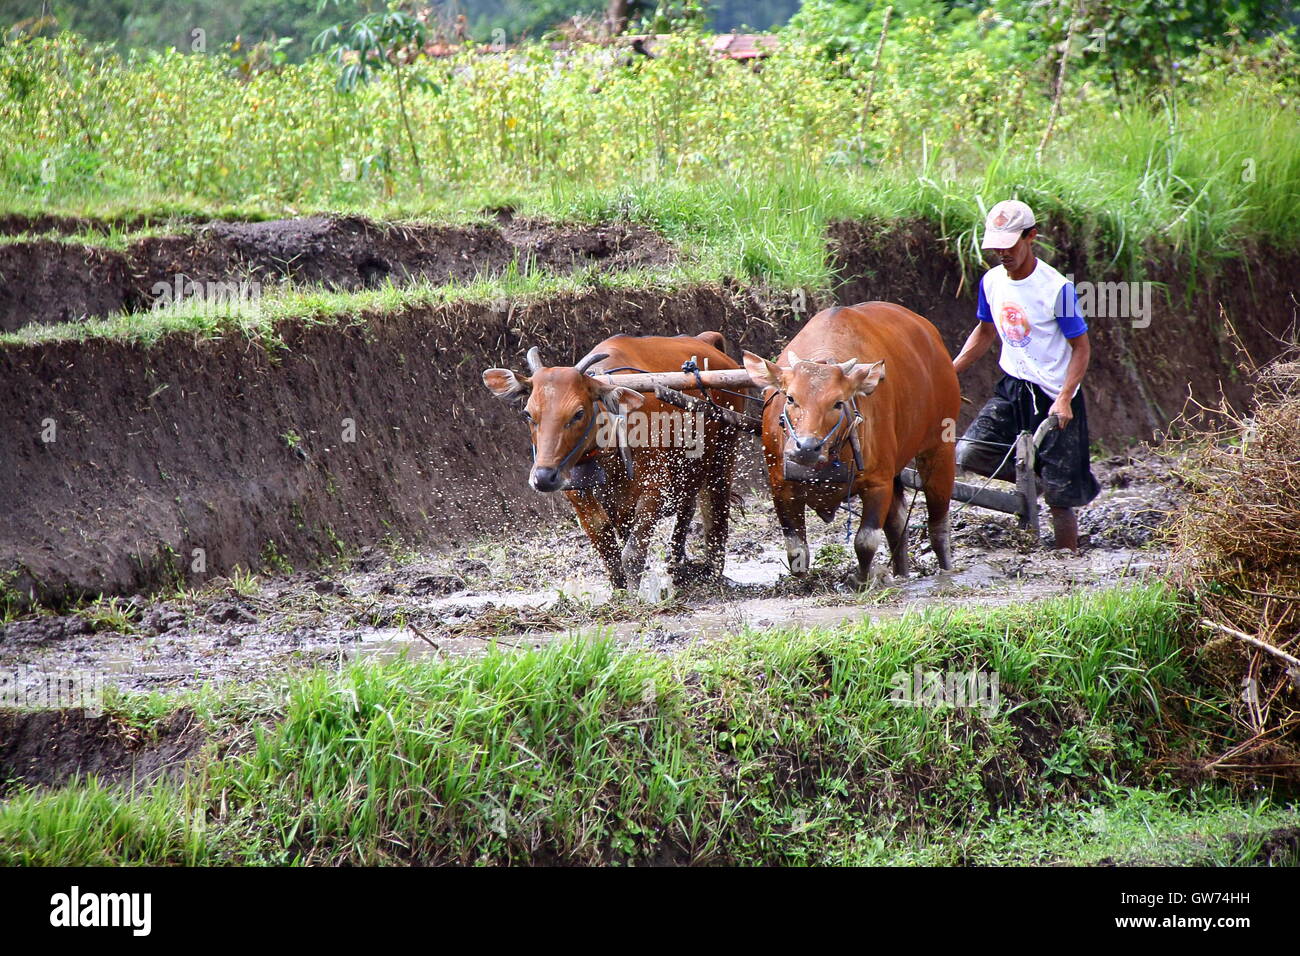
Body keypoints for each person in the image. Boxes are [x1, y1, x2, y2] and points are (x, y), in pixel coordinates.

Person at [951, 199, 1100, 550]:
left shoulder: (1056, 288)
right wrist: (950, 371)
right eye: (996, 248)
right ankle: (1040, 481)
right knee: (969, 453)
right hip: (1013, 389)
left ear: (1030, 236)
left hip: (1054, 395)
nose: (1002, 255)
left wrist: (1065, 398)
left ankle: (1067, 563)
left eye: (1009, 246)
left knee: (1061, 502)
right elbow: (985, 332)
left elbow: (1081, 348)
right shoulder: (992, 282)